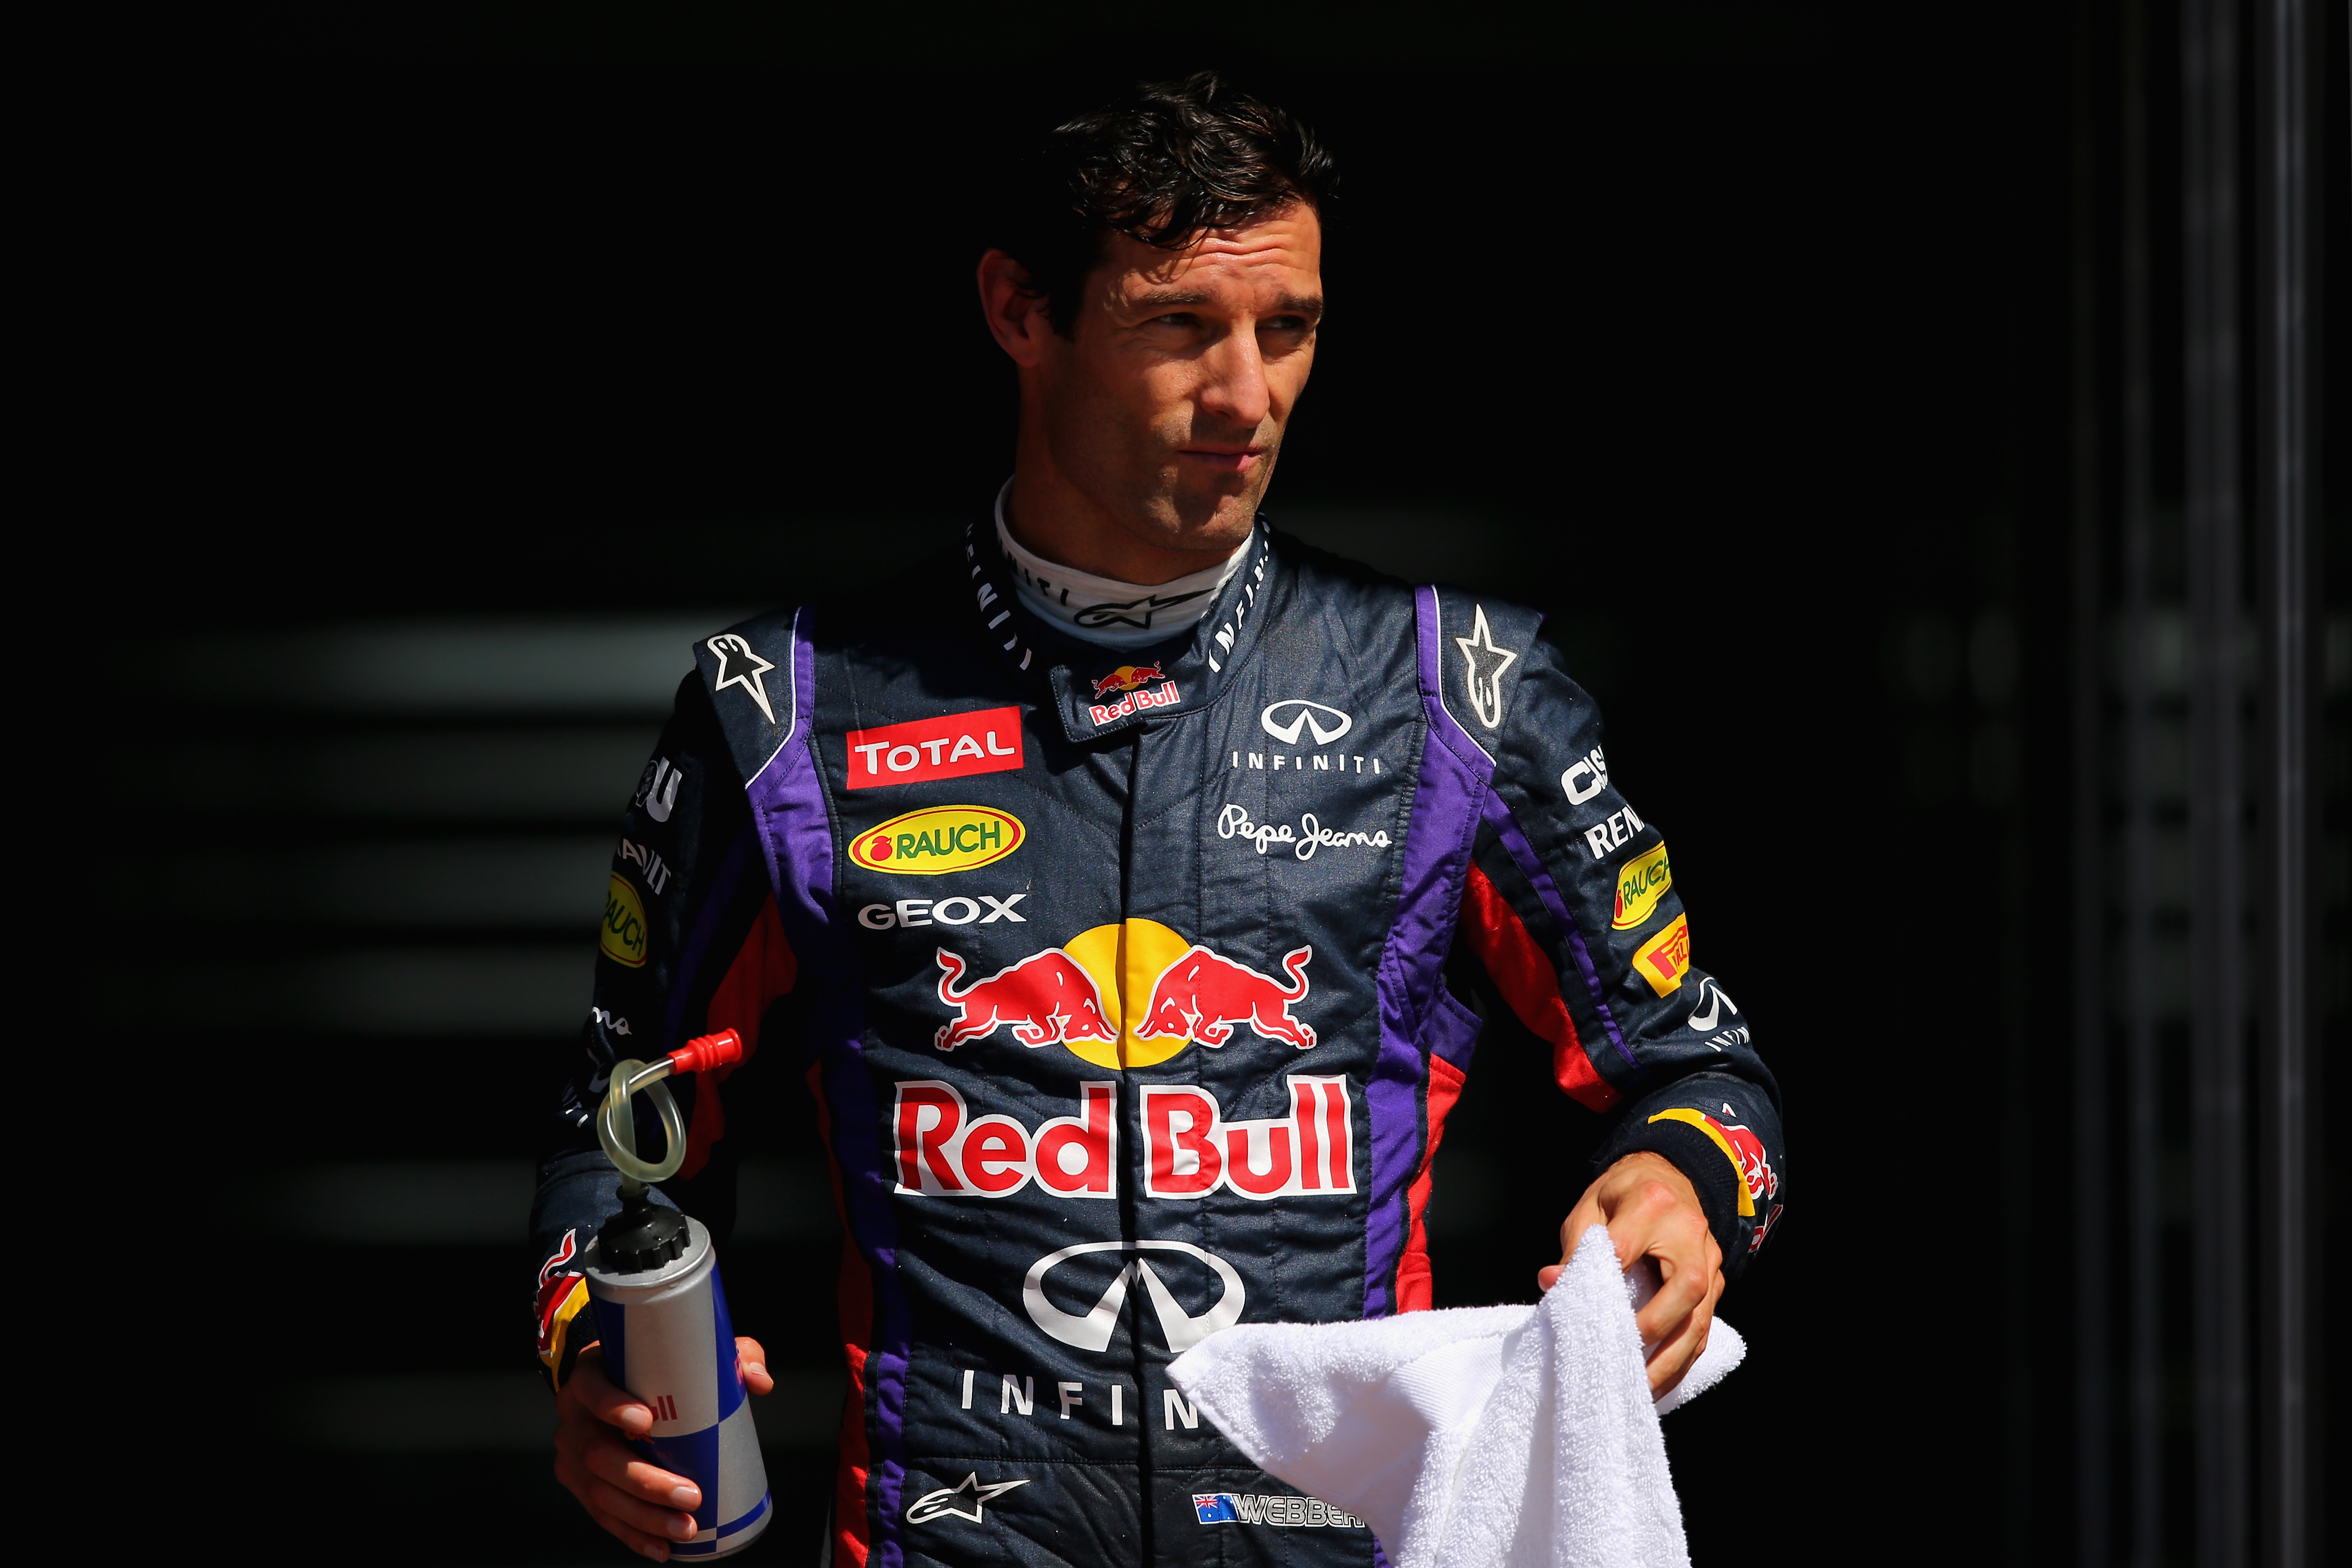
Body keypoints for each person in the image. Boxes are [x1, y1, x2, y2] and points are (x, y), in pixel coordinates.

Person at [530, 71, 1786, 1567]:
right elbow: (622, 1125)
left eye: (1289, 329)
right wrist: (595, 1342)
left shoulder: (1463, 693)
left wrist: (1689, 1183)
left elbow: (1700, 1071)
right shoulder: (784, 712)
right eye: (1181, 325)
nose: (1247, 396)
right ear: (1020, 310)